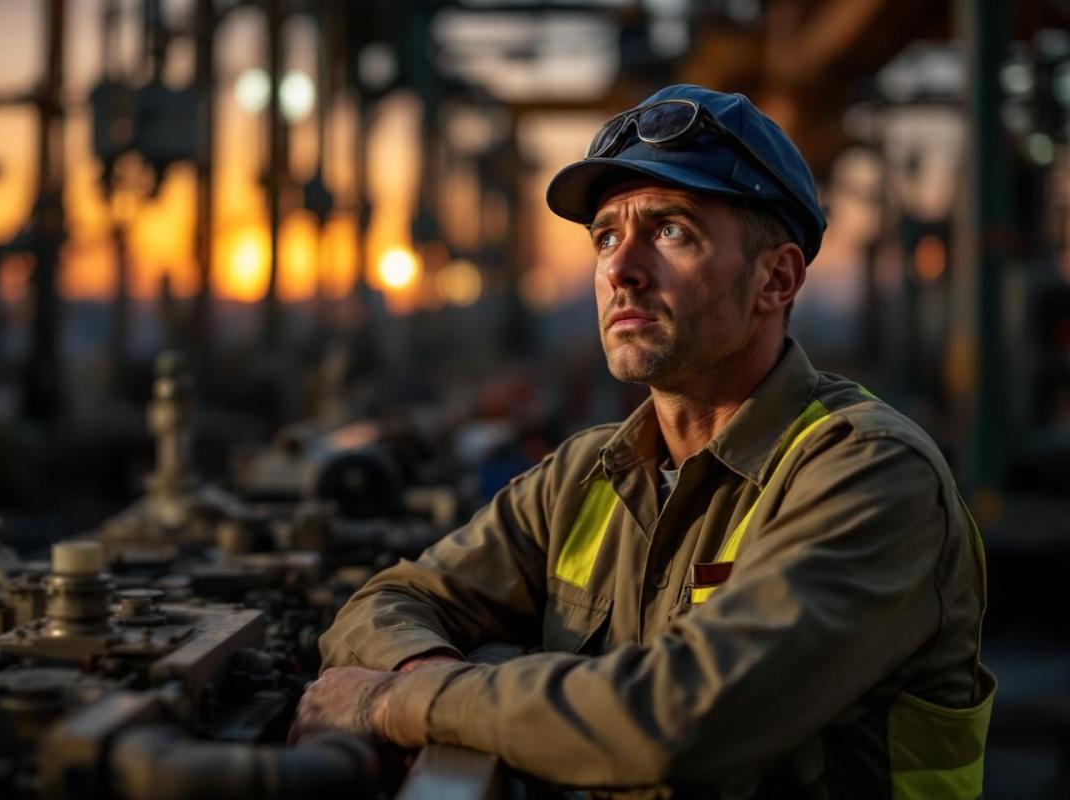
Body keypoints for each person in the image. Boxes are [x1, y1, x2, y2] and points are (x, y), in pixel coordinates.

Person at [290, 85, 994, 799]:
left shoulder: (871, 474)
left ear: (775, 279)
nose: (620, 269)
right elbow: (387, 600)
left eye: (670, 231)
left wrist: (397, 701)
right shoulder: (587, 474)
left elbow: (680, 721)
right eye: (605, 237)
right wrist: (427, 670)